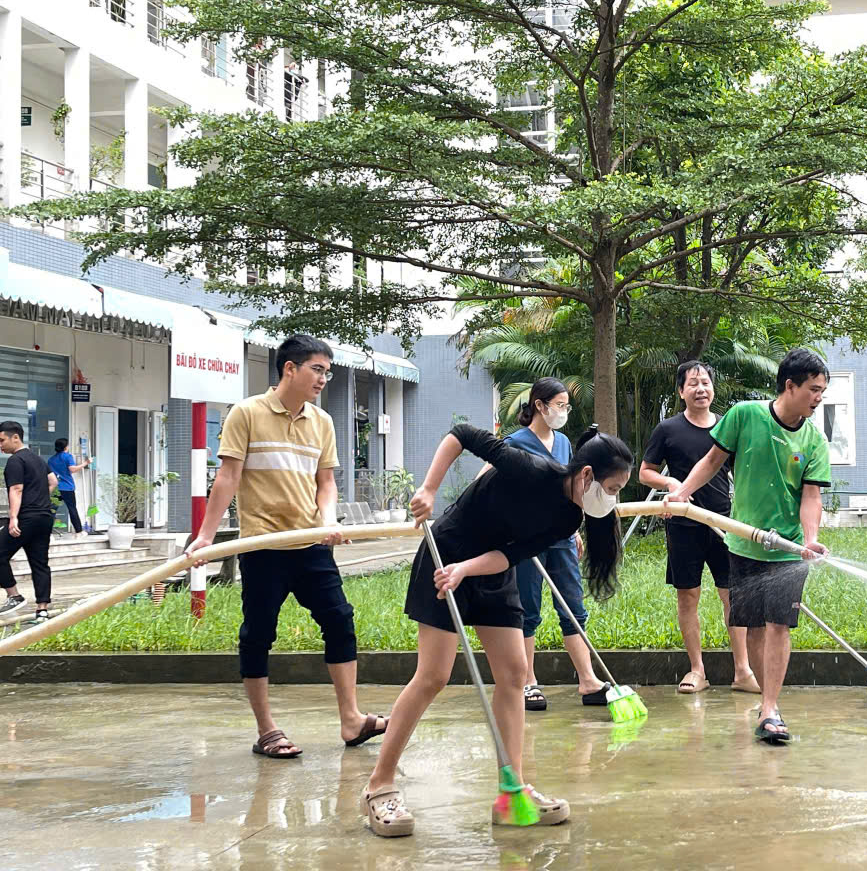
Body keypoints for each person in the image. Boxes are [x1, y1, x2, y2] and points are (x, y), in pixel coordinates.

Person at [358, 423, 632, 837]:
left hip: (483, 571)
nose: (611, 499)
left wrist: (467, 571)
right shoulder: (529, 468)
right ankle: (379, 785)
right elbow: (461, 434)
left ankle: (512, 790)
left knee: (514, 675)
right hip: (444, 555)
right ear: (587, 475)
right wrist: (429, 490)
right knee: (433, 676)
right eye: (612, 488)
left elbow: (509, 555)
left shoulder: (567, 516)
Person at [185, 334, 389, 759]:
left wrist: (329, 520)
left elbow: (326, 484)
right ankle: (267, 731)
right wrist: (206, 535)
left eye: (327, 372)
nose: (323, 379)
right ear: (289, 369)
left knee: (340, 621)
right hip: (263, 546)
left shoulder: (323, 422)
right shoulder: (246, 414)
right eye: (317, 369)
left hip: (310, 543)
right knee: (258, 634)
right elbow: (228, 478)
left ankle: (351, 720)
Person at [666, 348, 831, 745]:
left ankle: (771, 708)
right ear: (790, 386)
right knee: (754, 626)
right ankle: (765, 703)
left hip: (788, 550)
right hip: (743, 544)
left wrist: (809, 539)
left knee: (779, 625)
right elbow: (712, 460)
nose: (819, 397)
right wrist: (682, 494)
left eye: (822, 390)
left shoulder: (814, 440)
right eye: (814, 389)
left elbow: (811, 497)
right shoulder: (745, 415)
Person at [640, 361, 758, 695]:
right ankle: (697, 670)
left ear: (713, 388)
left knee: (731, 596)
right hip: (683, 523)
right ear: (681, 392)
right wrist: (670, 482)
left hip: (723, 522)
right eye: (693, 384)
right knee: (688, 595)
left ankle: (743, 671)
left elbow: (743, 472)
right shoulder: (668, 429)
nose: (700, 389)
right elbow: (645, 472)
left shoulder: (726, 427)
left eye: (705, 382)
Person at [496, 378, 607, 712]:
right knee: (527, 609)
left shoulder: (562, 442)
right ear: (539, 406)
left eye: (566, 406)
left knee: (573, 608)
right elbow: (494, 487)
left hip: (560, 537)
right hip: (527, 540)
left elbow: (570, 488)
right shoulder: (513, 443)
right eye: (559, 405)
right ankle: (528, 681)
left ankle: (588, 680)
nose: (563, 412)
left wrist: (575, 531)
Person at [0, 422, 59, 622]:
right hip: (44, 517)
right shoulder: (38, 459)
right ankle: (42, 610)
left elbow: (16, 489)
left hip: (26, 518)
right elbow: (53, 482)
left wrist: (14, 517)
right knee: (40, 563)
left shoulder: (16, 461)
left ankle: (14, 595)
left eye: (2, 440)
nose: (0, 445)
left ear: (15, 437)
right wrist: (40, 499)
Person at [47, 438, 91, 538]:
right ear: (66, 447)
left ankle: (48, 534)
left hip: (56, 487)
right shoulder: (67, 456)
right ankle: (79, 532)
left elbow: (49, 474)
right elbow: (73, 469)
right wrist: (86, 463)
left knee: (52, 510)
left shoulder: (51, 459)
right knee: (72, 509)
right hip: (67, 487)